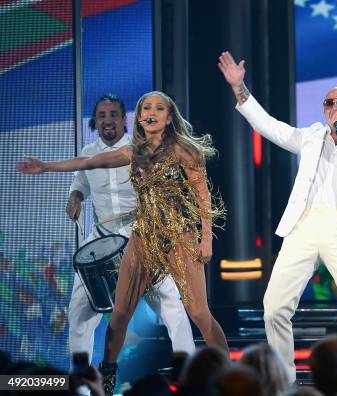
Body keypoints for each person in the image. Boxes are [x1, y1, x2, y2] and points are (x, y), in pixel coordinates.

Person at [17, 91, 228, 395]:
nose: (150, 112)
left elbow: (203, 196)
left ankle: (224, 372)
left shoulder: (184, 150)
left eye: (158, 108)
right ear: (140, 117)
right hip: (143, 238)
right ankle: (107, 375)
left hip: (177, 238)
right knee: (120, 312)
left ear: (169, 117)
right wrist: (46, 167)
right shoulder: (134, 152)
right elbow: (90, 162)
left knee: (196, 311)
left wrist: (205, 238)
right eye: (145, 108)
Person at [218, 51, 337, 382]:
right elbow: (267, 126)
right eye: (329, 103)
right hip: (304, 227)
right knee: (274, 308)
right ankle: (285, 383)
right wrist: (240, 88)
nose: (334, 108)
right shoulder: (310, 136)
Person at [66, 94, 195, 376]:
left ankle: (189, 370)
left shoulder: (141, 149)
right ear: (95, 121)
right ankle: (80, 375)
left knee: (169, 299)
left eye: (113, 114)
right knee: (79, 305)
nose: (108, 120)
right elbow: (80, 183)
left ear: (123, 119)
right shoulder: (89, 152)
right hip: (101, 236)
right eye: (102, 115)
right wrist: (75, 197)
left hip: (140, 233)